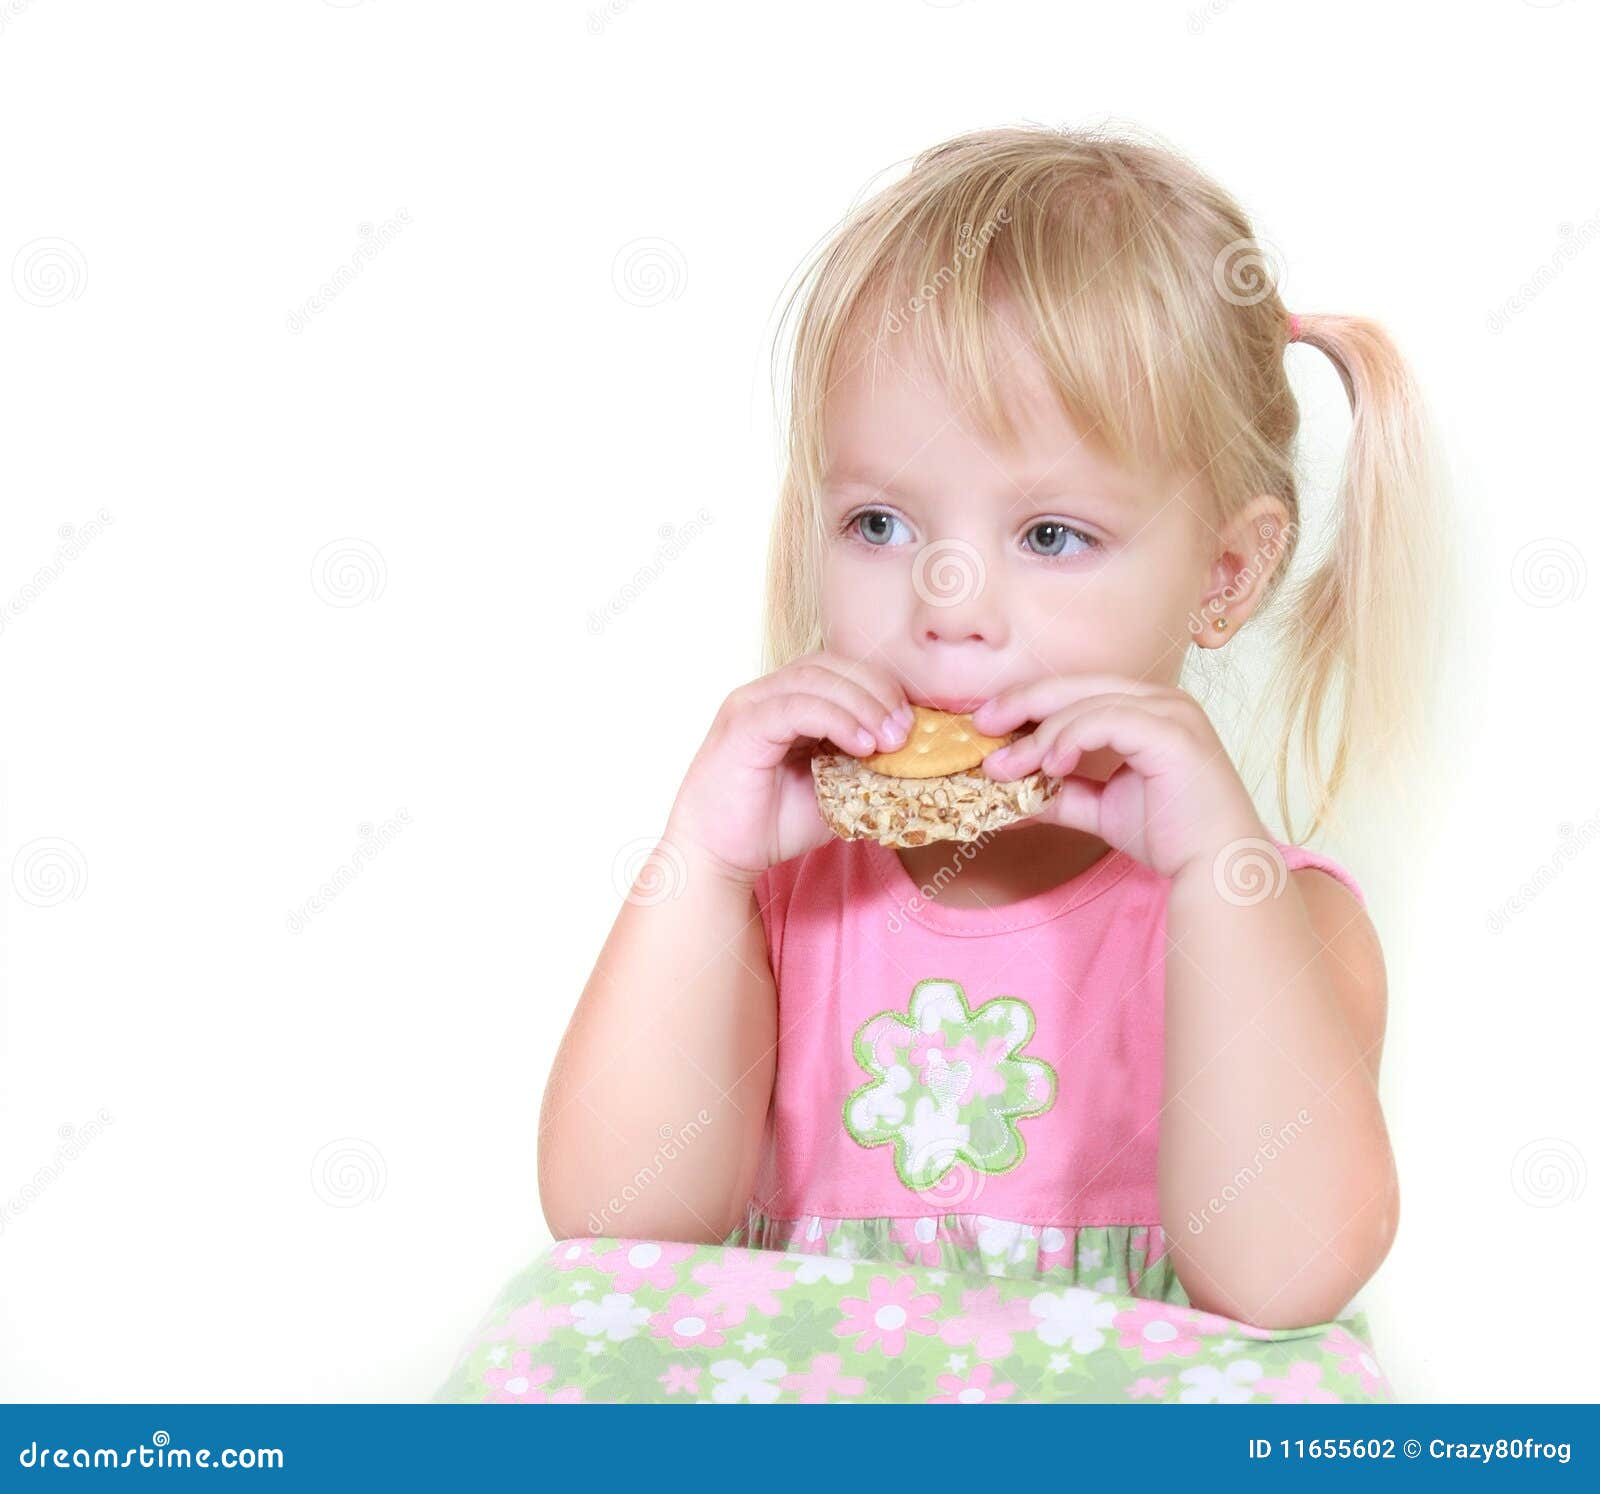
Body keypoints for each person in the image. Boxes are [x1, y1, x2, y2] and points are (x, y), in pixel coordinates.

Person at [529, 124, 1448, 1397]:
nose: (947, 599)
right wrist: (698, 864)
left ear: (1223, 576)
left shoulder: (1276, 919)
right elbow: (614, 1233)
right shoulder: (781, 907)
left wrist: (1215, 876)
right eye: (880, 522)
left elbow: (1284, 1279)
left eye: (1052, 534)